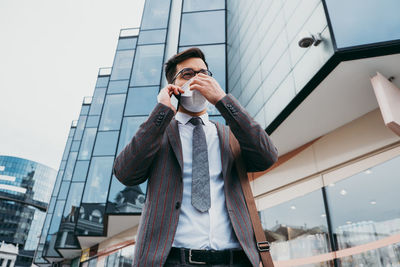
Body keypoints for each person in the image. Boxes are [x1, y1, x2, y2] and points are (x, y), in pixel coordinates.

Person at [113, 47, 278, 267]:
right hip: (172, 260)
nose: (198, 79)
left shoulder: (231, 135)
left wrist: (223, 100)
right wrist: (162, 110)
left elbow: (267, 156)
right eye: (188, 74)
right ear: (173, 87)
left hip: (235, 260)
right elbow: (126, 173)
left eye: (204, 74)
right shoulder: (158, 133)